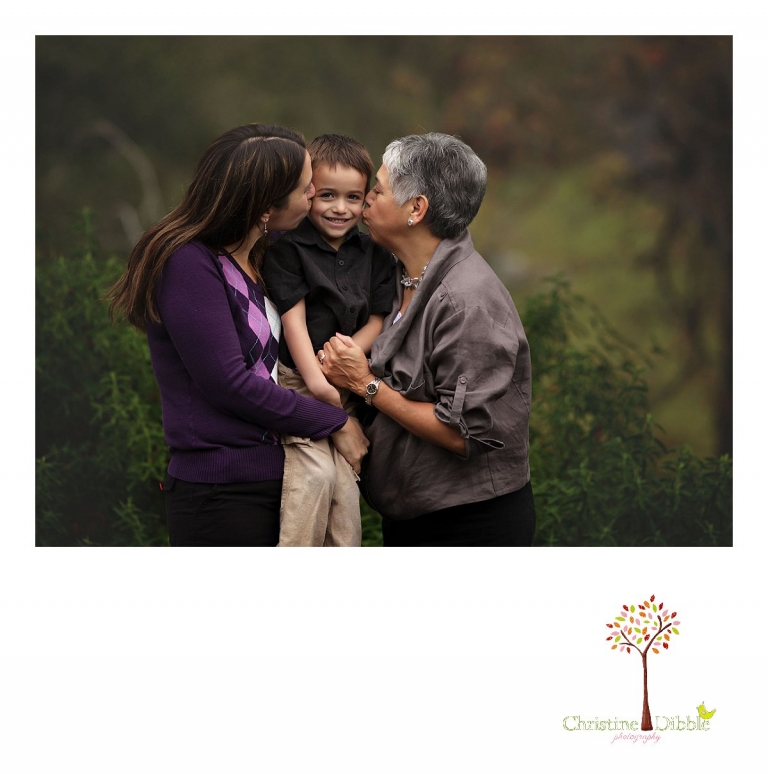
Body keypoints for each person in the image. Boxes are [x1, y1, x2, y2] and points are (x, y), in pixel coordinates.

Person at [106, 123, 369, 547]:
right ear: (266, 205)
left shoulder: (263, 255)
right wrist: (335, 420)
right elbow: (230, 383)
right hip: (224, 494)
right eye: (307, 189)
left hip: (276, 478)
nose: (314, 196)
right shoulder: (190, 265)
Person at [319, 132, 536, 547]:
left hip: (468, 524)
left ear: (416, 209)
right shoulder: (395, 271)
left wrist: (366, 384)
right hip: (413, 513)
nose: (365, 199)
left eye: (377, 190)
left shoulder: (466, 302)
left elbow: (463, 434)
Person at [262, 134, 396, 546]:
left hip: (347, 374)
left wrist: (345, 355)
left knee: (346, 499)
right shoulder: (288, 248)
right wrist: (320, 382)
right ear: (308, 194)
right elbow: (294, 323)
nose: (341, 208)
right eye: (327, 196)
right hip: (303, 380)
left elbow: (379, 316)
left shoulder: (373, 249)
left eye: (354, 197)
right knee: (314, 478)